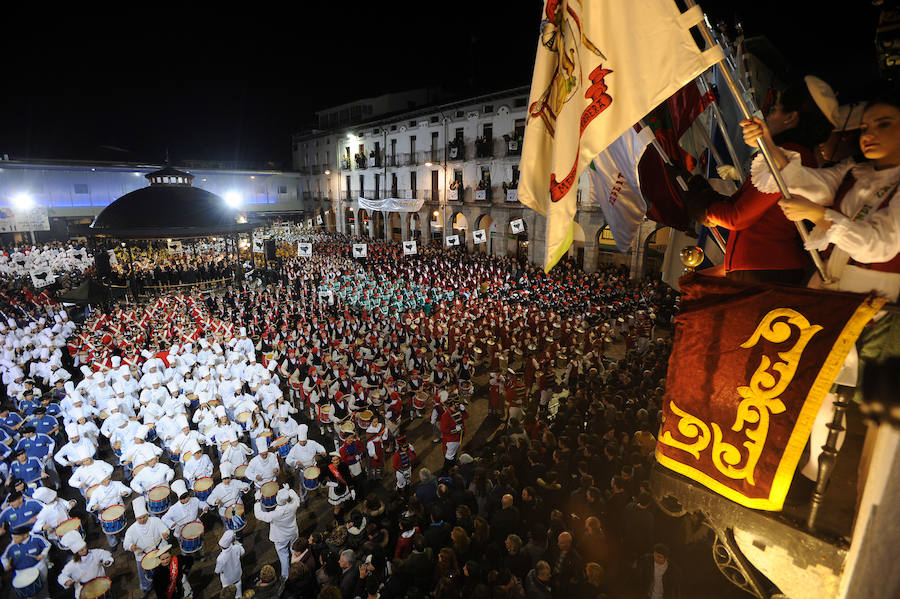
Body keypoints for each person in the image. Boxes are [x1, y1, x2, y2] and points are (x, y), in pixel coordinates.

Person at [689, 80, 831, 283]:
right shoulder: (790, 154)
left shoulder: (791, 156)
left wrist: (706, 209)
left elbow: (737, 217)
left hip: (765, 270)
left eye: (774, 110)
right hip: (762, 268)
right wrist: (712, 200)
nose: (768, 117)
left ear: (791, 118)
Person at [124, 496, 169, 594]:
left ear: (147, 514)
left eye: (144, 517)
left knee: (162, 568)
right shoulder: (131, 529)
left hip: (158, 550)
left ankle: (165, 582)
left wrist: (165, 534)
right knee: (142, 572)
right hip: (143, 555)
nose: (142, 519)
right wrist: (131, 546)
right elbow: (126, 543)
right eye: (139, 518)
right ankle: (145, 587)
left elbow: (164, 529)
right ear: (136, 518)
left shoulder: (155, 520)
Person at [254, 484, 301, 579]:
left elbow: (259, 515)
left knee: (283, 556)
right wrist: (289, 490)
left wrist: (258, 500)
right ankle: (298, 570)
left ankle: (285, 576)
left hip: (280, 538)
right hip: (293, 533)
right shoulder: (293, 505)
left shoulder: (275, 514)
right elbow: (297, 499)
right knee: (294, 551)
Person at [57, 531, 114, 599]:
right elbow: (62, 576)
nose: (85, 550)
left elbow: (105, 553)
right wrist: (66, 581)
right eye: (81, 550)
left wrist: (106, 560)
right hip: (85, 587)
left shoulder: (94, 553)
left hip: (100, 581)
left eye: (85, 547)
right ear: (76, 553)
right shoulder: (72, 564)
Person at [2, 525, 50, 599]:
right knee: (30, 594)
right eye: (13, 537)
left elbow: (47, 545)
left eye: (16, 537)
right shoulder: (12, 546)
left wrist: (43, 554)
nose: (14, 540)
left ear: (25, 535)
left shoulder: (36, 539)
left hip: (38, 568)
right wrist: (6, 564)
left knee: (43, 589)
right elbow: (4, 557)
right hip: (21, 572)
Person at [215, 530, 245, 597]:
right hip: (237, 577)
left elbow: (217, 571)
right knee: (239, 595)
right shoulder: (236, 547)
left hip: (227, 582)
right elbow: (243, 552)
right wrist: (238, 543)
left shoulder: (220, 558)